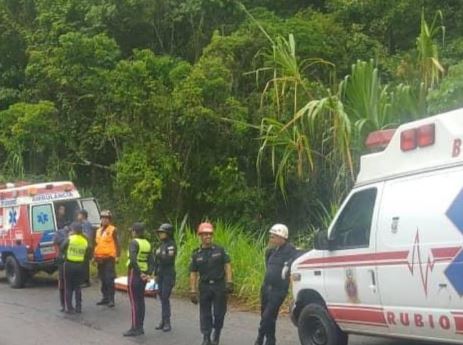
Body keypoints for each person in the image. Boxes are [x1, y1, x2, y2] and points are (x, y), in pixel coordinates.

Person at [254, 224, 299, 345]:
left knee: (267, 316)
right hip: (266, 288)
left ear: (282, 237)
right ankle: (270, 340)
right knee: (268, 316)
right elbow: (268, 267)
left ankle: (259, 337)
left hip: (278, 290)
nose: (271, 239)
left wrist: (288, 265)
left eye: (273, 237)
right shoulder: (270, 251)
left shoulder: (290, 249)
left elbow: (298, 258)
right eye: (271, 236)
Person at [189, 222, 234, 345]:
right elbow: (193, 273)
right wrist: (192, 291)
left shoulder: (220, 250)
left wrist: (229, 282)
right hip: (204, 286)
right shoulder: (196, 254)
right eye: (205, 234)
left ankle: (217, 334)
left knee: (219, 313)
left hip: (219, 286)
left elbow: (227, 265)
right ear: (200, 236)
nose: (208, 236)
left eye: (209, 234)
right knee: (205, 313)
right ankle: (206, 337)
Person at [123, 223, 155, 337]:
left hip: (134, 274)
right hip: (144, 275)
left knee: (134, 302)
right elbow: (152, 261)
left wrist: (139, 273)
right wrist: (148, 274)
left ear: (134, 232)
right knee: (141, 301)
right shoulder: (147, 243)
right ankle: (140, 327)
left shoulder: (134, 242)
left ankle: (134, 328)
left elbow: (132, 259)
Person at [61, 222, 90, 314]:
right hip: (80, 265)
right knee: (78, 287)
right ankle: (79, 307)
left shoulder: (70, 238)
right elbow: (88, 252)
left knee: (68, 287)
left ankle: (69, 308)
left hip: (69, 265)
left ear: (73, 230)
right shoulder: (85, 241)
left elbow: (62, 247)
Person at [94, 210, 120, 307]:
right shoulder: (98, 231)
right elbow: (96, 245)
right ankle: (105, 297)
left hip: (109, 258)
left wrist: (117, 256)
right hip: (100, 259)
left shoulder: (113, 230)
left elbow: (117, 243)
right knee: (103, 278)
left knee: (109, 278)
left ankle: (111, 299)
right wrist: (94, 257)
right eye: (102, 218)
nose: (104, 220)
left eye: (106, 218)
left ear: (109, 220)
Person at [154, 223, 177, 332]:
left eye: (162, 232)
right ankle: (163, 320)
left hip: (168, 274)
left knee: (165, 297)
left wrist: (159, 254)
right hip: (161, 274)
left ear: (168, 233)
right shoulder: (161, 245)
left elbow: (168, 260)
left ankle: (167, 322)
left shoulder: (171, 245)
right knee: (161, 296)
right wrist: (155, 274)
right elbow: (157, 261)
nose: (160, 234)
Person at [53, 224, 71, 312]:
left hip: (69, 261)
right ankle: (64, 305)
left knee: (67, 285)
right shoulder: (59, 234)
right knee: (63, 284)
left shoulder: (73, 234)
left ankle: (66, 305)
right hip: (62, 260)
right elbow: (57, 243)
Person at [78, 209, 94, 287]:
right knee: (83, 263)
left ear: (83, 215)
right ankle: (84, 280)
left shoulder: (86, 224)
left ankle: (86, 281)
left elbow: (88, 235)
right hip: (84, 245)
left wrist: (79, 233)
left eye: (79, 214)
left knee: (84, 264)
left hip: (86, 246)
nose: (78, 216)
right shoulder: (82, 223)